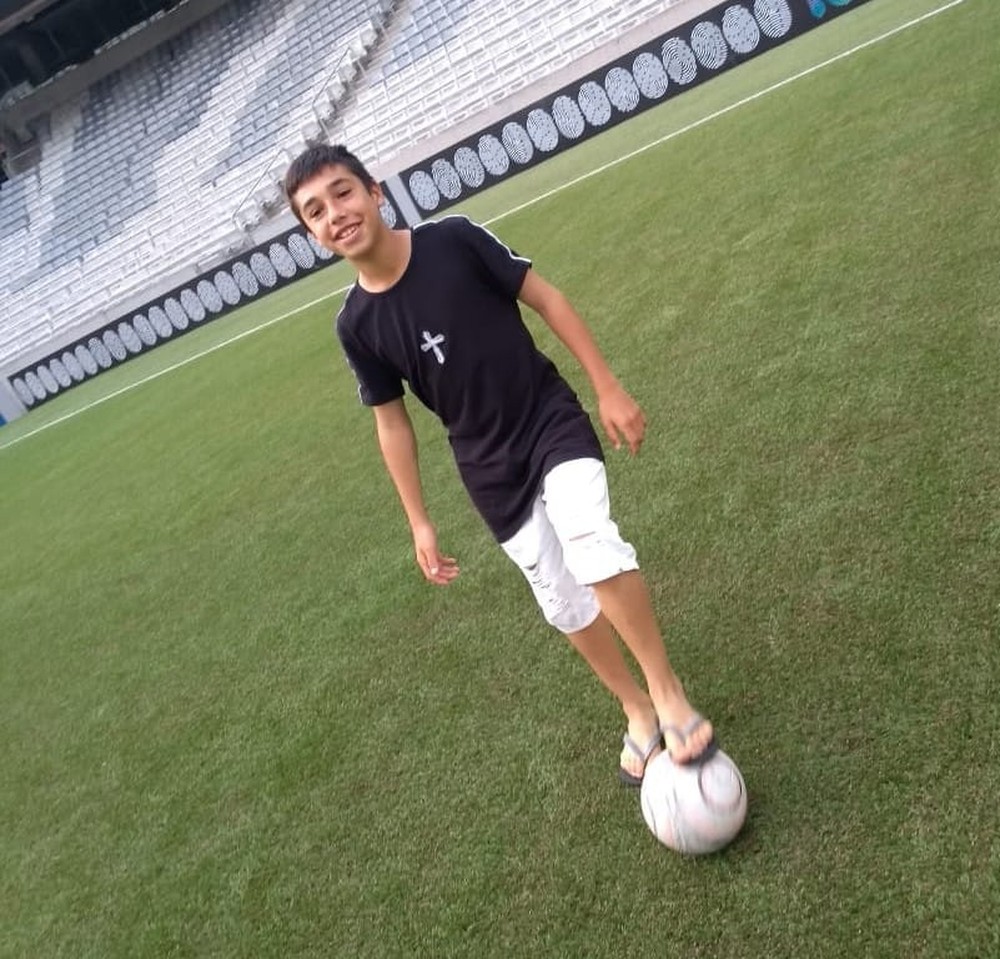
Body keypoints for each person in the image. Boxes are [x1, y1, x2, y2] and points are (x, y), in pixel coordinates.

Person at [284, 144, 716, 785]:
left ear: (374, 191)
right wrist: (419, 520)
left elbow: (547, 299)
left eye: (343, 193)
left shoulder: (453, 240)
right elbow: (391, 423)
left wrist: (607, 387)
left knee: (589, 539)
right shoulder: (355, 324)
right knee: (561, 599)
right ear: (312, 234)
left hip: (547, 418)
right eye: (315, 212)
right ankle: (636, 708)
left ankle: (667, 692)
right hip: (486, 466)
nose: (335, 214)